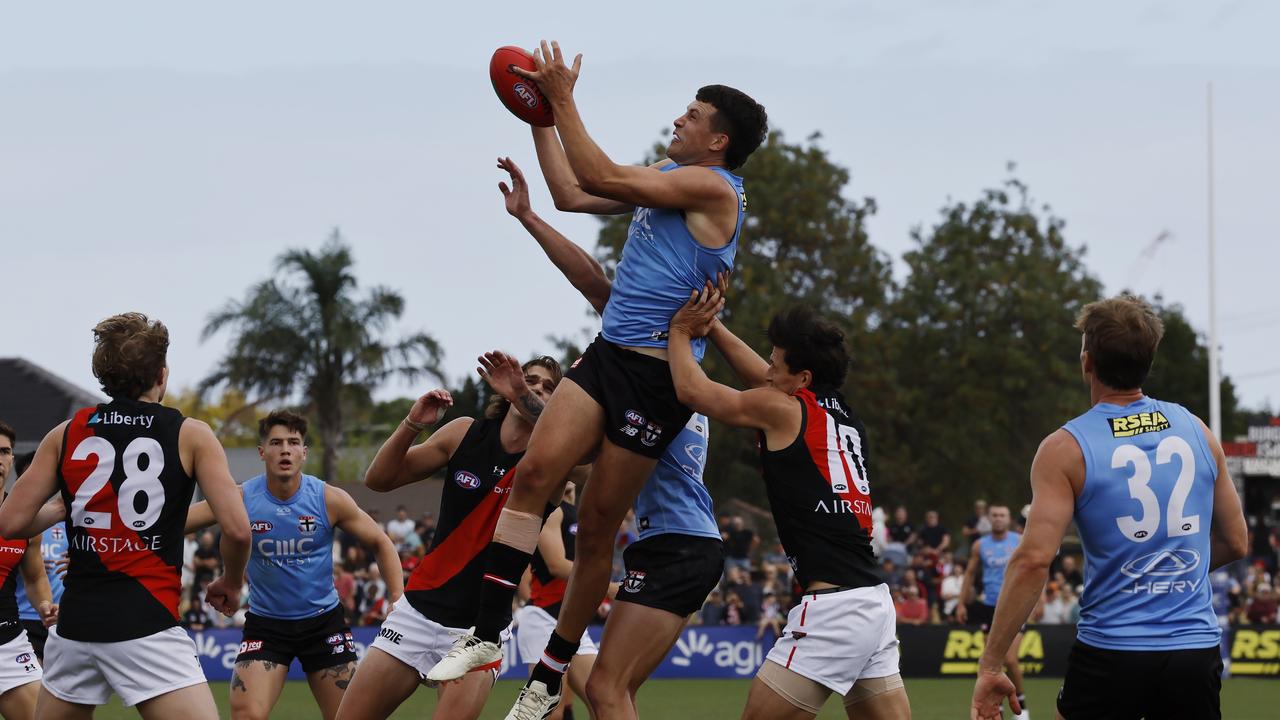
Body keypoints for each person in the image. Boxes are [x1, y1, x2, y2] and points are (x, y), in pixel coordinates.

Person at [425, 41, 766, 697]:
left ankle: (550, 674)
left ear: (719, 139)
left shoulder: (712, 187)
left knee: (599, 529)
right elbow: (573, 192)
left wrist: (563, 99)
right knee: (534, 477)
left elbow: (604, 176)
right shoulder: (673, 172)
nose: (679, 120)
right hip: (609, 355)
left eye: (692, 116)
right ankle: (487, 634)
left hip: (656, 383)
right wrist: (538, 115)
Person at [495, 157, 727, 719]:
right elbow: (594, 281)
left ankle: (532, 664)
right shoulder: (686, 380)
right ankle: (547, 675)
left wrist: (520, 399)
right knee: (607, 691)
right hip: (668, 545)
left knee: (605, 690)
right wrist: (529, 218)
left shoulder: (656, 390)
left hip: (682, 546)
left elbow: (571, 453)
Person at [969, 295, 1249, 720]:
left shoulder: (1065, 448)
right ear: (1148, 360)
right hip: (1194, 650)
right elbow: (1237, 541)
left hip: (1112, 648)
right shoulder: (1198, 431)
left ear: (1087, 361)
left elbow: (1032, 560)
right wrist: (1167, 572)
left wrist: (990, 664)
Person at [667, 292, 911, 719]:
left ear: (802, 378)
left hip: (834, 610)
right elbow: (766, 383)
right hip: (873, 602)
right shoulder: (843, 417)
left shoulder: (783, 409)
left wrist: (681, 330)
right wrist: (716, 325)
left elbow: (691, 389)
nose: (767, 370)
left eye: (775, 364)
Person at [0, 313, 251, 719]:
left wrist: (61, 508)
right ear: (162, 375)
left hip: (75, 629)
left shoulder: (67, 432)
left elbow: (9, 524)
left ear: (105, 375)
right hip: (146, 623)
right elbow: (238, 531)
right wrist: (232, 581)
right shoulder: (191, 434)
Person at [334, 352, 562, 720]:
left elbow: (587, 461)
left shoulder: (553, 459)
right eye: (529, 380)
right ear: (503, 390)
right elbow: (378, 480)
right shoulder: (465, 432)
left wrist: (522, 393)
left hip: (480, 632)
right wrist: (412, 423)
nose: (535, 388)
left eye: (548, 388)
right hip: (418, 612)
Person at [182, 411, 403, 720]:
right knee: (246, 715)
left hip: (323, 623)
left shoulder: (328, 498)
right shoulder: (241, 497)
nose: (284, 449)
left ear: (304, 452)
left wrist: (397, 599)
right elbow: (178, 524)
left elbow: (381, 542)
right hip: (266, 625)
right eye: (275, 442)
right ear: (262, 452)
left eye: (293, 442)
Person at [515, 483, 597, 720]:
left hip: (572, 619)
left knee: (603, 697)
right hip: (543, 617)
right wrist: (607, 586)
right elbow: (556, 565)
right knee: (551, 710)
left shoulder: (579, 514)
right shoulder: (549, 511)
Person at [956, 504, 1029, 719]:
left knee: (1010, 660)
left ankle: (1022, 707)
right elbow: (969, 574)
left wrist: (1039, 598)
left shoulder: (1019, 540)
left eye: (1002, 515)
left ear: (1008, 519)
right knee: (993, 663)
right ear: (989, 519)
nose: (998, 519)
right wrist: (961, 603)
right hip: (989, 607)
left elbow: (1035, 567)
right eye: (995, 515)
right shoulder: (979, 545)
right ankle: (998, 707)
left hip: (1014, 606)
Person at [6, 449, 66, 664]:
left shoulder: (64, 518)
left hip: (53, 615)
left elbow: (38, 576)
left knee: (58, 687)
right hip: (21, 616)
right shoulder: (16, 523)